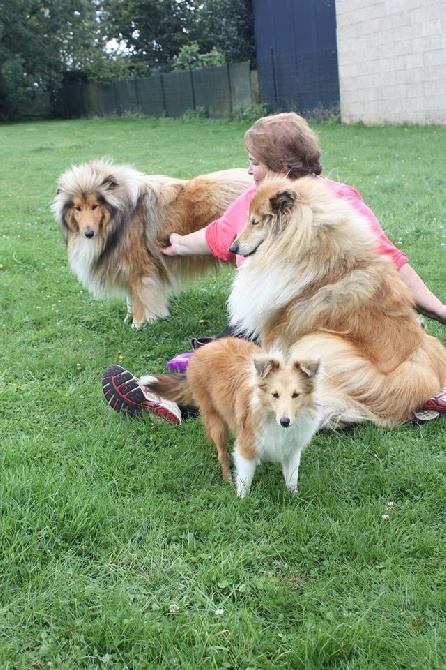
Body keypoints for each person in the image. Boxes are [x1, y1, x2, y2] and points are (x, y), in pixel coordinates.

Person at [102, 113, 446, 424]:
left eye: (254, 162)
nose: (248, 170)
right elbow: (220, 235)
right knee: (231, 349)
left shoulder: (335, 201)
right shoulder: (255, 197)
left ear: (280, 165)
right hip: (282, 318)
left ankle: (172, 400)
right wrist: (176, 243)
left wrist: (438, 310)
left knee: (236, 360)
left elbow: (388, 260)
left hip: (319, 326)